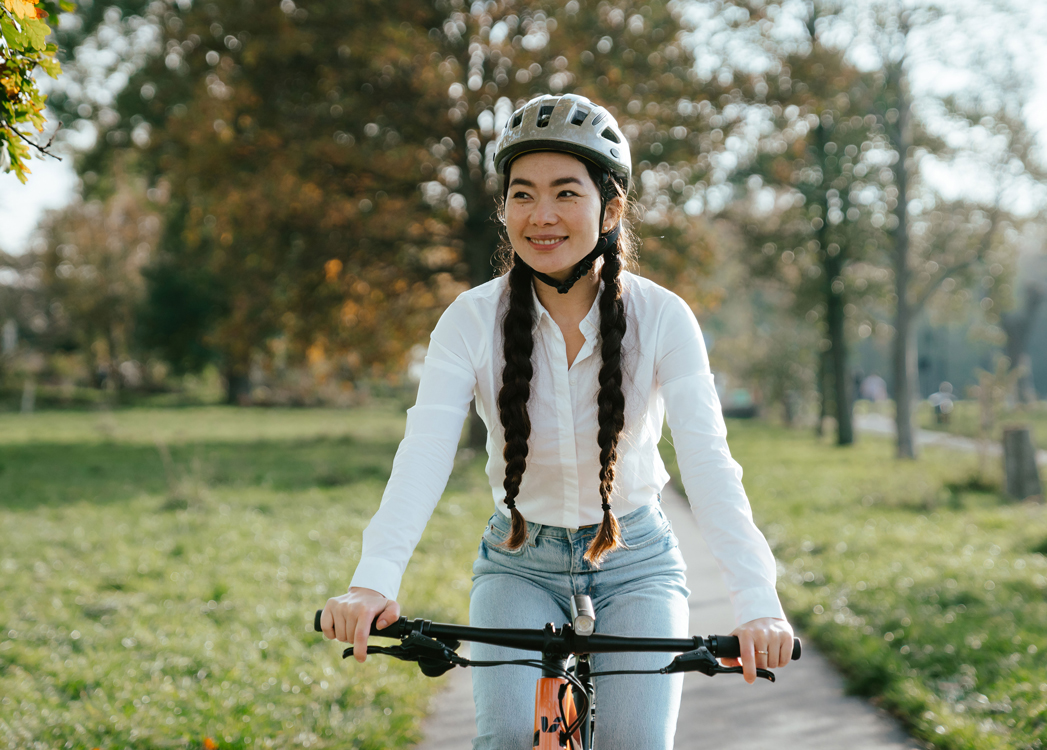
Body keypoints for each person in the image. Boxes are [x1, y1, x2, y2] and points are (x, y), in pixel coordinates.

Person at [319, 93, 794, 749]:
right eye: (522, 194)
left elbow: (709, 461)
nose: (541, 216)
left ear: (612, 207)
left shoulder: (663, 319)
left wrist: (757, 601)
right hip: (519, 562)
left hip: (639, 562)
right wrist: (372, 581)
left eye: (566, 193)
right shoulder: (468, 321)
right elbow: (422, 454)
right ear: (504, 207)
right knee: (510, 739)